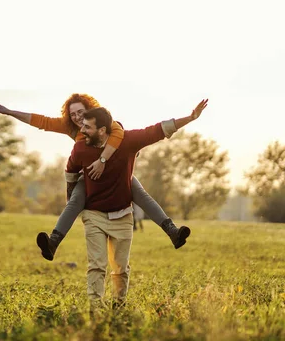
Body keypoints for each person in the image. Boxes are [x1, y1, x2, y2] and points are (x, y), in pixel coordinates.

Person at [0, 94, 190, 260]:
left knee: (141, 195)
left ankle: (173, 232)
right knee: (74, 201)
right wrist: (10, 112)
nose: (77, 117)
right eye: (73, 114)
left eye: (80, 112)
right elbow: (41, 121)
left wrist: (103, 160)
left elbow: (126, 134)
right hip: (88, 176)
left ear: (90, 110)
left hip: (116, 173)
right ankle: (53, 243)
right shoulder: (71, 128)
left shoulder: (108, 124)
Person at [65, 100, 207, 310]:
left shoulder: (129, 140)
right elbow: (70, 171)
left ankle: (119, 304)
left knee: (120, 268)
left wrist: (190, 118)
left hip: (122, 215)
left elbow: (158, 130)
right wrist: (72, 200)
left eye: (87, 127)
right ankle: (96, 307)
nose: (82, 130)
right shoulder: (80, 148)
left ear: (102, 130)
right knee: (97, 265)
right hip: (93, 213)